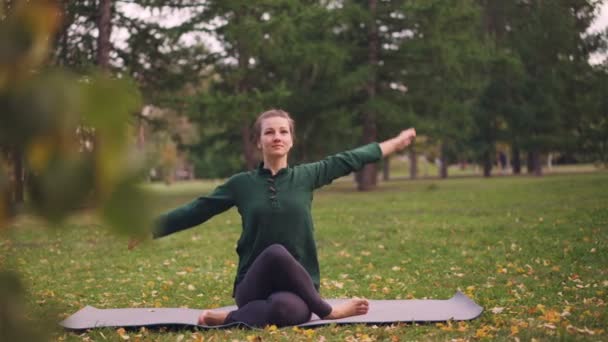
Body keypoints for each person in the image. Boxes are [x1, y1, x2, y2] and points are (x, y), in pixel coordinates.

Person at [129, 109, 416, 327]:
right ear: (258, 141)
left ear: (291, 140)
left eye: (283, 132)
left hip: (298, 286)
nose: (276, 137)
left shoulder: (307, 176)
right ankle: (329, 311)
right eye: (269, 132)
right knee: (276, 253)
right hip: (252, 283)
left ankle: (229, 318)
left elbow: (351, 158)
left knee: (284, 311)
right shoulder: (241, 184)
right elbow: (198, 209)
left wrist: (396, 143)